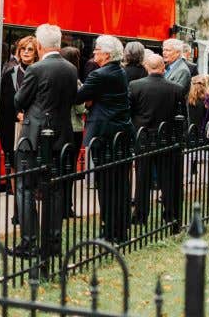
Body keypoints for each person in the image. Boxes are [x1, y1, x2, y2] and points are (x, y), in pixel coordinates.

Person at [10, 24, 78, 258]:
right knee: (56, 190)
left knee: (25, 188)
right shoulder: (70, 69)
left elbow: (19, 100)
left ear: (39, 45)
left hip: (34, 137)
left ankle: (28, 243)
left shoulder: (36, 69)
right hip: (61, 135)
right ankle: (53, 243)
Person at [75, 35, 134, 244]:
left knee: (107, 184)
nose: (94, 53)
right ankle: (121, 227)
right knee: (120, 183)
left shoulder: (99, 74)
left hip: (105, 134)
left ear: (107, 54)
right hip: (121, 132)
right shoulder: (120, 71)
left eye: (97, 50)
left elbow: (78, 97)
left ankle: (111, 231)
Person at [129, 54, 186, 225]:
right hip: (166, 138)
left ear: (147, 67)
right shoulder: (176, 88)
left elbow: (130, 112)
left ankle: (140, 215)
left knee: (142, 179)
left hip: (144, 138)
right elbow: (181, 116)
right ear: (163, 68)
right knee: (167, 179)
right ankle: (170, 214)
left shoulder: (135, 86)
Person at [0, 36, 39, 183]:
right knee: (14, 163)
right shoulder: (10, 73)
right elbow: (4, 103)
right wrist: (17, 114)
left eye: (30, 49)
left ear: (36, 53)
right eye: (23, 48)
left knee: (32, 165)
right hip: (12, 127)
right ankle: (18, 202)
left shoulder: (40, 72)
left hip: (34, 124)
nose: (26, 52)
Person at [59, 46, 85, 219]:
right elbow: (80, 107)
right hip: (74, 128)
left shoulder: (56, 78)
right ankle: (67, 207)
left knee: (59, 168)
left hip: (58, 127)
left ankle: (57, 206)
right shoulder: (75, 81)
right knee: (69, 170)